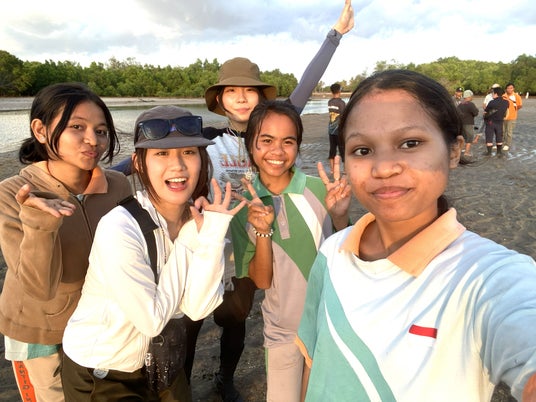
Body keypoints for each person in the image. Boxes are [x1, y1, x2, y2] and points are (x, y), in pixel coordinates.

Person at [296, 69, 536, 401]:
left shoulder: (487, 276)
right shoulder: (333, 251)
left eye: (410, 143)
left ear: (454, 151)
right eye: (362, 150)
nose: (383, 168)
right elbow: (314, 360)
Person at [183, 2, 355, 401]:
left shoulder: (275, 125)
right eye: (232, 91)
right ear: (220, 99)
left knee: (236, 317)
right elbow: (159, 154)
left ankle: (225, 379)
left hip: (254, 238)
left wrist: (335, 35)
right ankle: (183, 385)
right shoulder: (207, 139)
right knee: (190, 317)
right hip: (216, 239)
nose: (241, 98)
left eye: (249, 90)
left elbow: (307, 82)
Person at [61, 105, 246, 401]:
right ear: (139, 163)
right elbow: (151, 320)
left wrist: (212, 236)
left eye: (189, 152)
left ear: (202, 159)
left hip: (160, 359)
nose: (178, 166)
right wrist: (188, 240)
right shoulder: (119, 227)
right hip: (102, 369)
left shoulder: (200, 220)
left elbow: (198, 308)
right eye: (161, 154)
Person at [0, 82, 132, 401]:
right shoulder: (12, 194)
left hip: (99, 323)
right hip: (40, 332)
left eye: (101, 131)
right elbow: (39, 287)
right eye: (77, 127)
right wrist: (41, 221)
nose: (93, 140)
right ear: (40, 130)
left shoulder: (117, 185)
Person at [229, 101, 350, 402]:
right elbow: (261, 281)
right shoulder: (242, 208)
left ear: (298, 146)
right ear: (250, 145)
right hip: (282, 332)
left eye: (288, 141)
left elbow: (348, 256)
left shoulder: (320, 190)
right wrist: (262, 231)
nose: (278, 151)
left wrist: (339, 217)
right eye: (267, 140)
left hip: (329, 323)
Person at [483, 86, 509, 157]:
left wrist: (485, 116)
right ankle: (499, 152)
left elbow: (485, 112)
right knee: (499, 137)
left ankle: (489, 153)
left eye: (493, 93)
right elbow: (506, 112)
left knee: (489, 137)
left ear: (496, 94)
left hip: (490, 122)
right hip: (500, 122)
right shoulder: (506, 102)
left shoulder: (492, 102)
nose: (492, 94)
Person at [327, 83, 347, 173]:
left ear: (332, 91)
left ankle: (332, 170)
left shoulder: (329, 102)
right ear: (339, 91)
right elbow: (343, 117)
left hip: (331, 129)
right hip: (339, 130)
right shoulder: (342, 103)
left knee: (332, 149)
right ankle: (345, 169)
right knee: (342, 149)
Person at [457, 89, 479, 158]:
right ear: (469, 97)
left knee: (462, 138)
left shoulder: (460, 104)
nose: (472, 97)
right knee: (469, 138)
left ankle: (460, 151)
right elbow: (476, 113)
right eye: (472, 96)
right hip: (469, 123)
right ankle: (466, 152)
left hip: (460, 123)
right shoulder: (471, 104)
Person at [502, 82, 523, 151]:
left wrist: (514, 110)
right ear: (506, 89)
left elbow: (520, 105)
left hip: (512, 117)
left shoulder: (516, 96)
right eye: (508, 88)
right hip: (503, 117)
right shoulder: (503, 96)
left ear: (513, 89)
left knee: (509, 132)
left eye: (511, 88)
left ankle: (507, 144)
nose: (509, 89)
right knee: (502, 131)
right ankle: (501, 143)